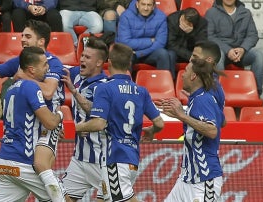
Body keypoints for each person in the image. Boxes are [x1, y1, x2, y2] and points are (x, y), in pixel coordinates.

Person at [0, 20, 66, 201]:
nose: (22, 39)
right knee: (53, 191)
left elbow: (48, 92)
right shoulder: (22, 63)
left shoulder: (52, 63)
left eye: (27, 36)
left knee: (40, 167)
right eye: (22, 35)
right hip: (32, 131)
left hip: (43, 130)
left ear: (41, 41)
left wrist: (22, 78)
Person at [75, 43, 164, 202]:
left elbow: (99, 123)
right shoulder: (141, 91)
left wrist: (78, 126)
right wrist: (151, 131)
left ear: (109, 62)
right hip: (132, 160)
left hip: (114, 158)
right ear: (129, 63)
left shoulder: (106, 88)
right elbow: (159, 123)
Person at [0, 46, 65, 201]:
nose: (48, 68)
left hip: (5, 162)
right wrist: (60, 114)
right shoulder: (31, 87)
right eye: (44, 65)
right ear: (32, 70)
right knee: (59, 197)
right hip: (24, 161)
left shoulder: (11, 89)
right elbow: (50, 122)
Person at [162, 59, 225, 202]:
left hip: (204, 180)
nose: (182, 75)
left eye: (185, 71)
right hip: (186, 179)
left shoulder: (203, 100)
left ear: (193, 76)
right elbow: (221, 119)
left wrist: (182, 115)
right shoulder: (196, 99)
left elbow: (212, 130)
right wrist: (180, 116)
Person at [60, 37, 109, 201]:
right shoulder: (77, 75)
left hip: (101, 161)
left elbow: (96, 111)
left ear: (98, 63)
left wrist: (74, 92)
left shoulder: (104, 86)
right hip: (80, 159)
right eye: (82, 55)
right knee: (60, 198)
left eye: (87, 57)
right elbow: (54, 68)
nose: (81, 59)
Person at [205, 0, 263, 96]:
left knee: (258, 56)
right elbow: (209, 36)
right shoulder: (211, 12)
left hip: (240, 52)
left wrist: (243, 48)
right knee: (218, 54)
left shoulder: (245, 12)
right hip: (222, 50)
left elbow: (252, 35)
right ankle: (219, 94)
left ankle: (255, 93)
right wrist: (228, 50)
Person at [116, 0, 176, 78]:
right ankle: (126, 86)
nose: (146, 8)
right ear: (137, 4)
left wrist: (139, 53)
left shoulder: (161, 17)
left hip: (147, 52)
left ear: (153, 6)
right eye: (143, 4)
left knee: (164, 54)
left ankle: (162, 85)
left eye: (149, 5)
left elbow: (160, 43)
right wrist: (150, 41)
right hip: (130, 51)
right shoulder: (126, 16)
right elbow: (125, 42)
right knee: (126, 56)